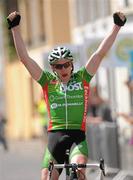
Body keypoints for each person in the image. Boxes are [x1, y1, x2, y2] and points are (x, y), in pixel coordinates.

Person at [7, 11, 126, 180]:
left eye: (66, 65)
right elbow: (25, 59)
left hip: (78, 137)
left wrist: (117, 26)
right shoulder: (47, 81)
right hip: (55, 138)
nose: (63, 69)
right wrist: (15, 28)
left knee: (78, 171)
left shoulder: (83, 77)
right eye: (58, 66)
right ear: (53, 69)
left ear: (71, 65)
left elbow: (99, 54)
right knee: (46, 178)